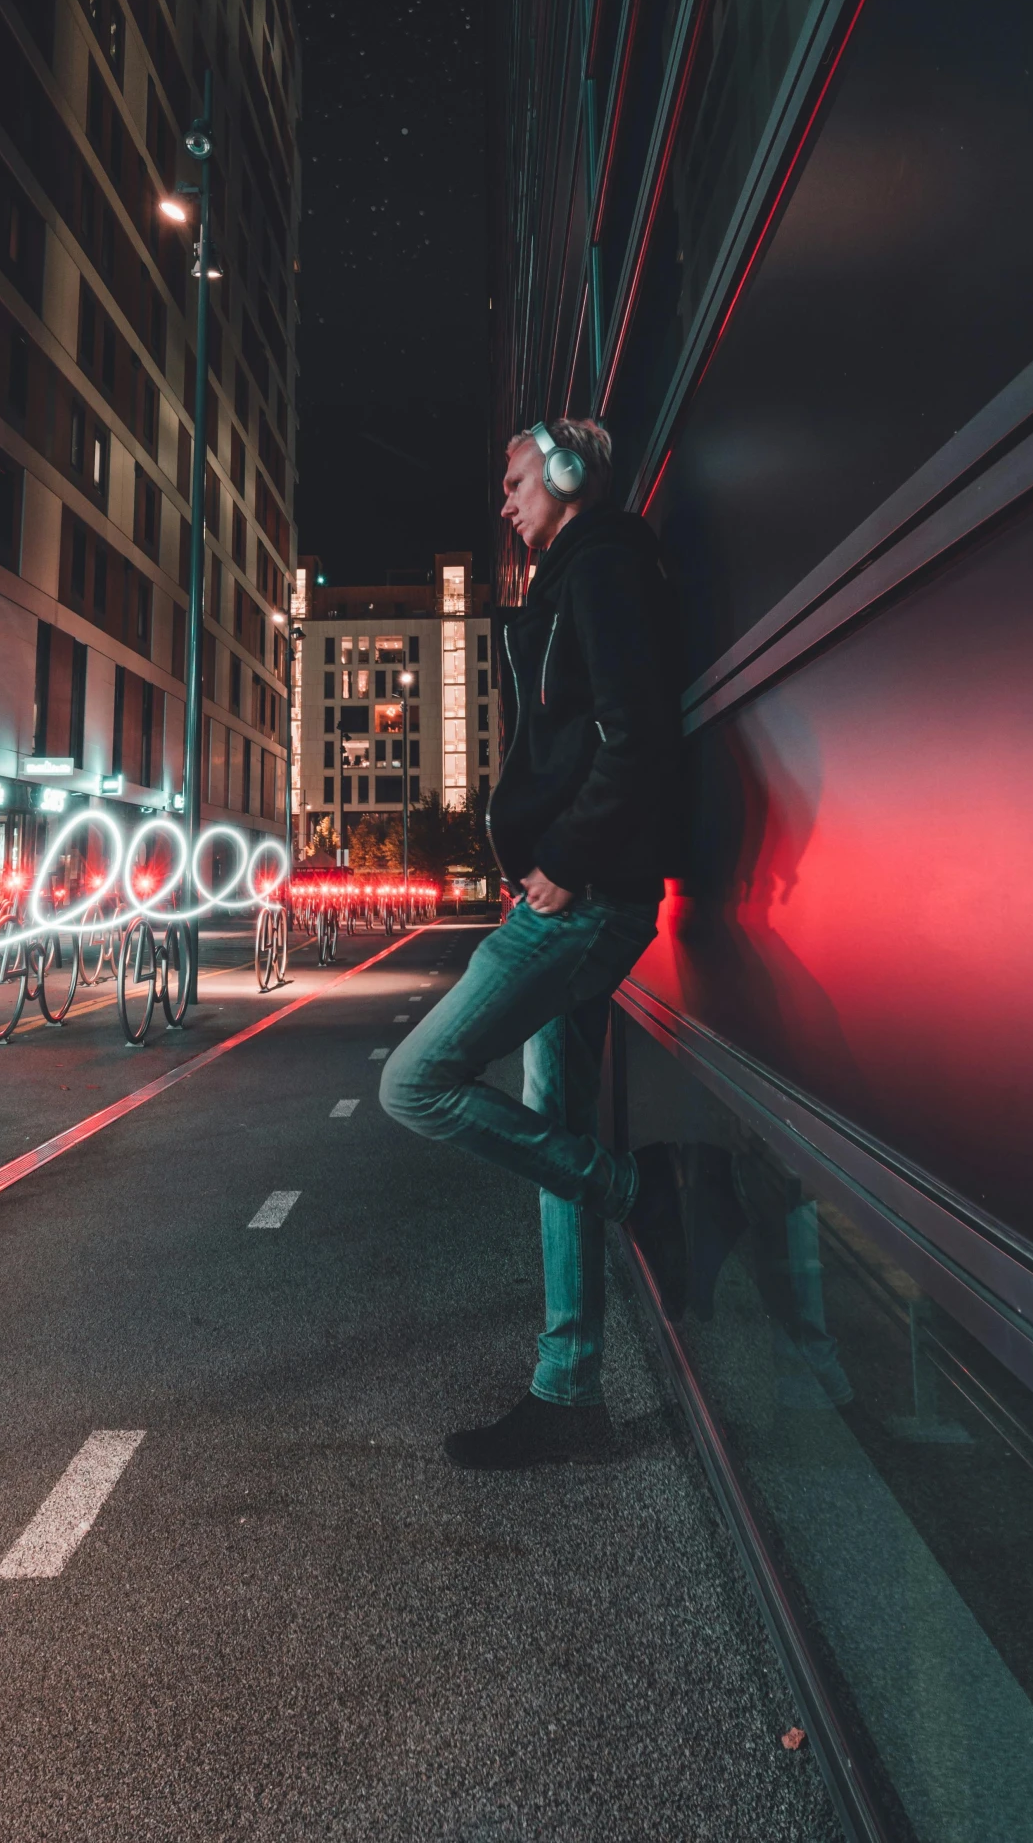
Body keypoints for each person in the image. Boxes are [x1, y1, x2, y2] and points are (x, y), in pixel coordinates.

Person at [379, 417, 688, 1469]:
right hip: (566, 891)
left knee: (414, 1084)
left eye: (515, 480)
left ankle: (642, 1191)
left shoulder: (600, 569)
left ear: (563, 477)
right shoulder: (570, 579)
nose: (504, 501)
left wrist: (564, 855)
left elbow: (637, 732)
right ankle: (569, 1395)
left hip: (579, 901)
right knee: (549, 1124)